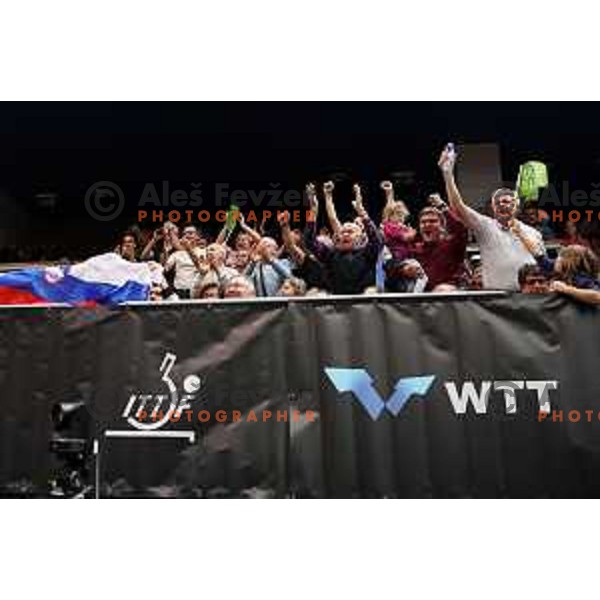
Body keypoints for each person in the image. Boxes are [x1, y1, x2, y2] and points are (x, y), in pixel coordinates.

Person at [438, 144, 545, 290]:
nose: (502, 204)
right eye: (497, 202)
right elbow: (458, 207)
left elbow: (544, 267)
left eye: (507, 201)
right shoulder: (485, 226)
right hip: (495, 302)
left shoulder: (534, 233)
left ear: (517, 208)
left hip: (529, 296)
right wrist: (448, 174)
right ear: (493, 209)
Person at [305, 183, 383, 294]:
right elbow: (309, 241)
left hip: (364, 306)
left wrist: (361, 212)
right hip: (337, 306)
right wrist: (313, 210)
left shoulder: (367, 253)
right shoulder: (330, 255)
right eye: (342, 232)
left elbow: (376, 240)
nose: (345, 234)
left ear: (361, 237)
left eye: (350, 232)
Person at [163, 225, 207, 299]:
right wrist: (166, 252)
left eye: (190, 233)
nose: (187, 236)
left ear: (197, 237)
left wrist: (188, 248)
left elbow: (202, 268)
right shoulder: (176, 254)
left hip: (197, 291)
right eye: (184, 234)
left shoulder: (204, 252)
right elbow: (165, 269)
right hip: (179, 292)